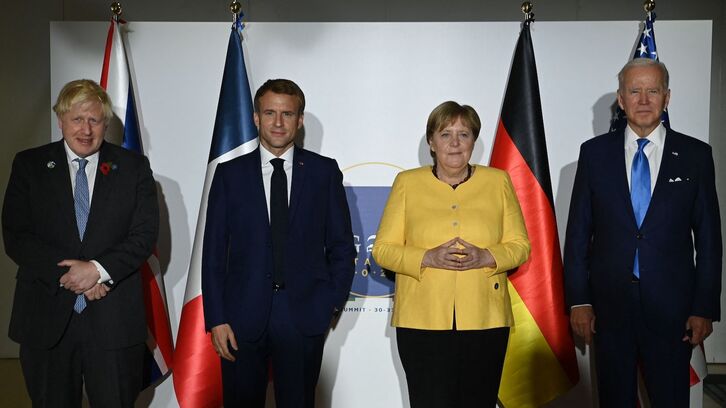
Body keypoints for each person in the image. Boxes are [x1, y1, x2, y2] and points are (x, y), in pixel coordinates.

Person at [564, 58, 722, 406]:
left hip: (673, 310)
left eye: (653, 91)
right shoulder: (594, 155)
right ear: (621, 99)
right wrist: (579, 299)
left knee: (670, 399)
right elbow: (577, 234)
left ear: (667, 97)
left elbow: (709, 240)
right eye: (635, 91)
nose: (644, 100)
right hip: (610, 307)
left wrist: (704, 307)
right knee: (615, 399)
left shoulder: (696, 156)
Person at [2, 79, 159, 407]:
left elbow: (144, 235)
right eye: (77, 119)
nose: (85, 129)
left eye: (94, 120)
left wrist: (98, 271)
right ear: (60, 120)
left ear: (105, 123)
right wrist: (73, 276)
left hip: (113, 321)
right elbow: (17, 236)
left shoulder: (133, 168)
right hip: (46, 321)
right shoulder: (29, 165)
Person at [202, 78, 356, 407]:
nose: (277, 122)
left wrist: (328, 302)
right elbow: (214, 252)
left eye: (287, 114)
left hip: (303, 316)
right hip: (240, 317)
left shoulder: (323, 172)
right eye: (269, 113)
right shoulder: (229, 174)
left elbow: (342, 247)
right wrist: (216, 317)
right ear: (256, 118)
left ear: (300, 120)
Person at [372, 101, 531, 407]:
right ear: (431, 142)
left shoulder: (498, 181)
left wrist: (488, 256)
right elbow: (383, 249)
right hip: (422, 322)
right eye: (445, 134)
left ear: (474, 141)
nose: (455, 143)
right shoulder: (408, 183)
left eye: (464, 134)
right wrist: (425, 257)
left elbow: (520, 245)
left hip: (485, 320)